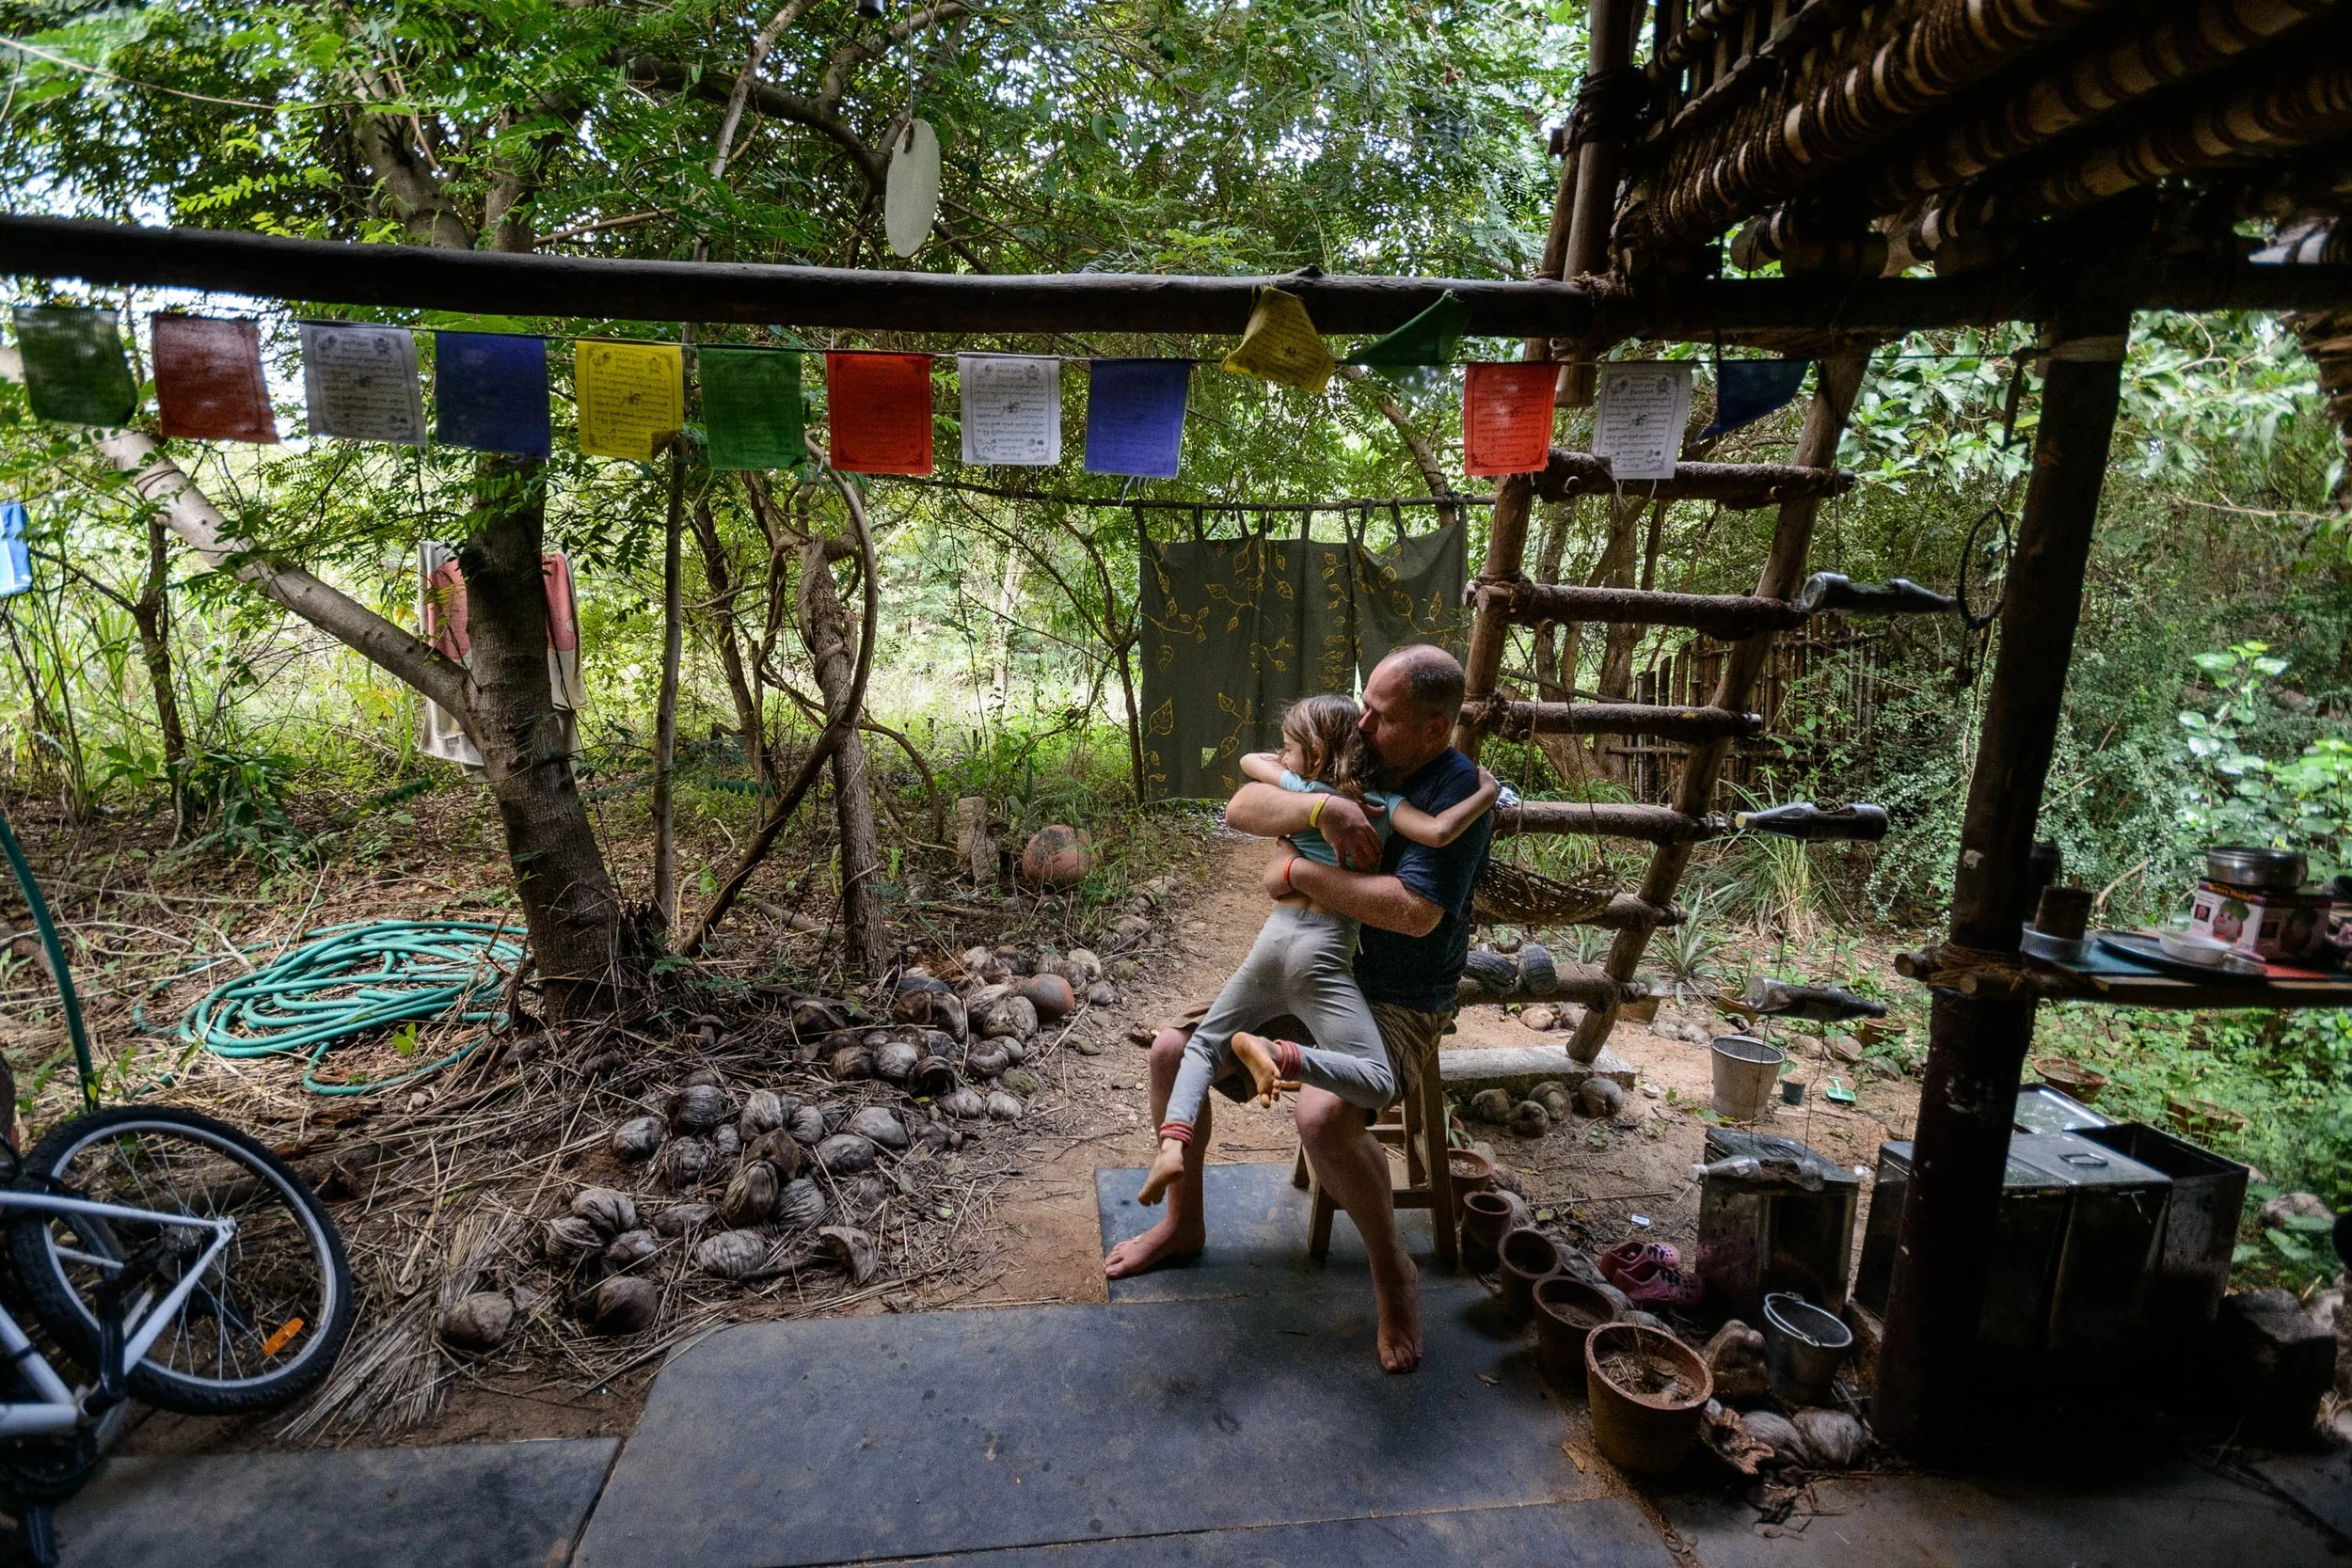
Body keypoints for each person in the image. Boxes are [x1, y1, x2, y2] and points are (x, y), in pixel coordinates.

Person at [1105, 644, 1495, 1374]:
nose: (1365, 722)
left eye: (1382, 715)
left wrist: (1295, 867)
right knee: (1168, 1051)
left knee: (1319, 1114)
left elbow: (1412, 913)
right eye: (1365, 705)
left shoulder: (1451, 789)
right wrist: (1321, 805)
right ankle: (1181, 1225)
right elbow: (1246, 800)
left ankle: (1393, 1275)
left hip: (1399, 994)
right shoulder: (1364, 755)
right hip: (1309, 969)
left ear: (1434, 726)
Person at [1136, 691, 1498, 1205]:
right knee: (1371, 1081)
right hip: (1322, 958)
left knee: (1201, 1046)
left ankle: (1174, 1143)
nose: (1281, 757)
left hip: (1275, 942)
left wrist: (1295, 858)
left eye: (1290, 748)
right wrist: (1488, 792)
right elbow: (1438, 831)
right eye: (1366, 709)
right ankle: (1281, 1056)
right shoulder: (1379, 806)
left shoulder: (1307, 784)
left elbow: (1250, 763)